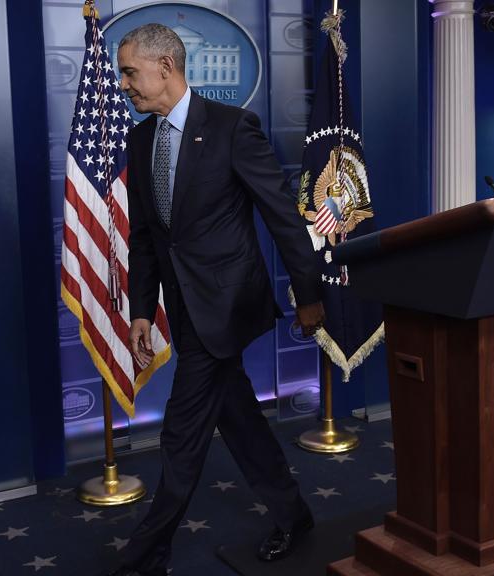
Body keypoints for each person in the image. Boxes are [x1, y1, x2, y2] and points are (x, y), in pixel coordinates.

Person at [108, 23, 325, 576]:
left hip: (226, 307)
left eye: (130, 71)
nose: (124, 82)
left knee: (181, 434)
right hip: (183, 311)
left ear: (165, 66)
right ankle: (293, 513)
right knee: (239, 417)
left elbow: (281, 214)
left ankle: (144, 557)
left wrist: (308, 294)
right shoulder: (140, 139)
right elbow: (147, 240)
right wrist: (139, 309)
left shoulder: (232, 128)